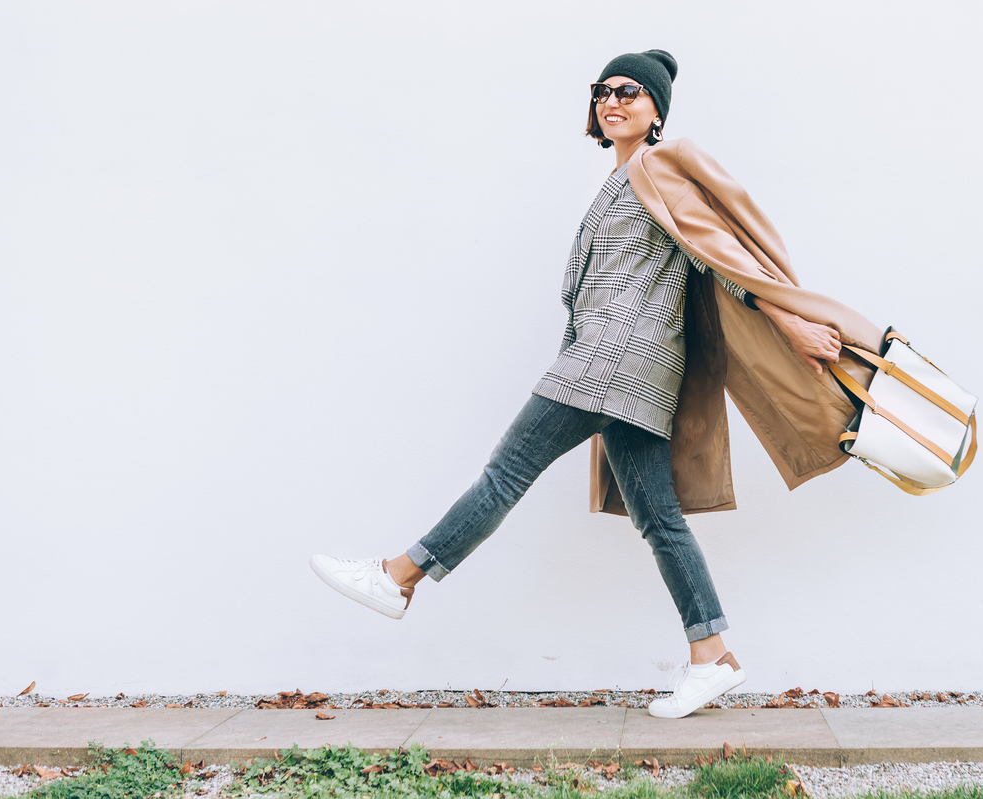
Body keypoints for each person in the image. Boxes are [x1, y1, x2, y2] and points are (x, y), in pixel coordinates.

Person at [311, 50, 880, 719]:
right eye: (602, 91)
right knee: (659, 519)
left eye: (630, 91)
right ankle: (712, 656)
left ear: (656, 109)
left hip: (611, 357)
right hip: (635, 368)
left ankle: (398, 577)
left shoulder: (657, 166)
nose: (612, 101)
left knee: (507, 473)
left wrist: (787, 322)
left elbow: (717, 252)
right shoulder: (623, 175)